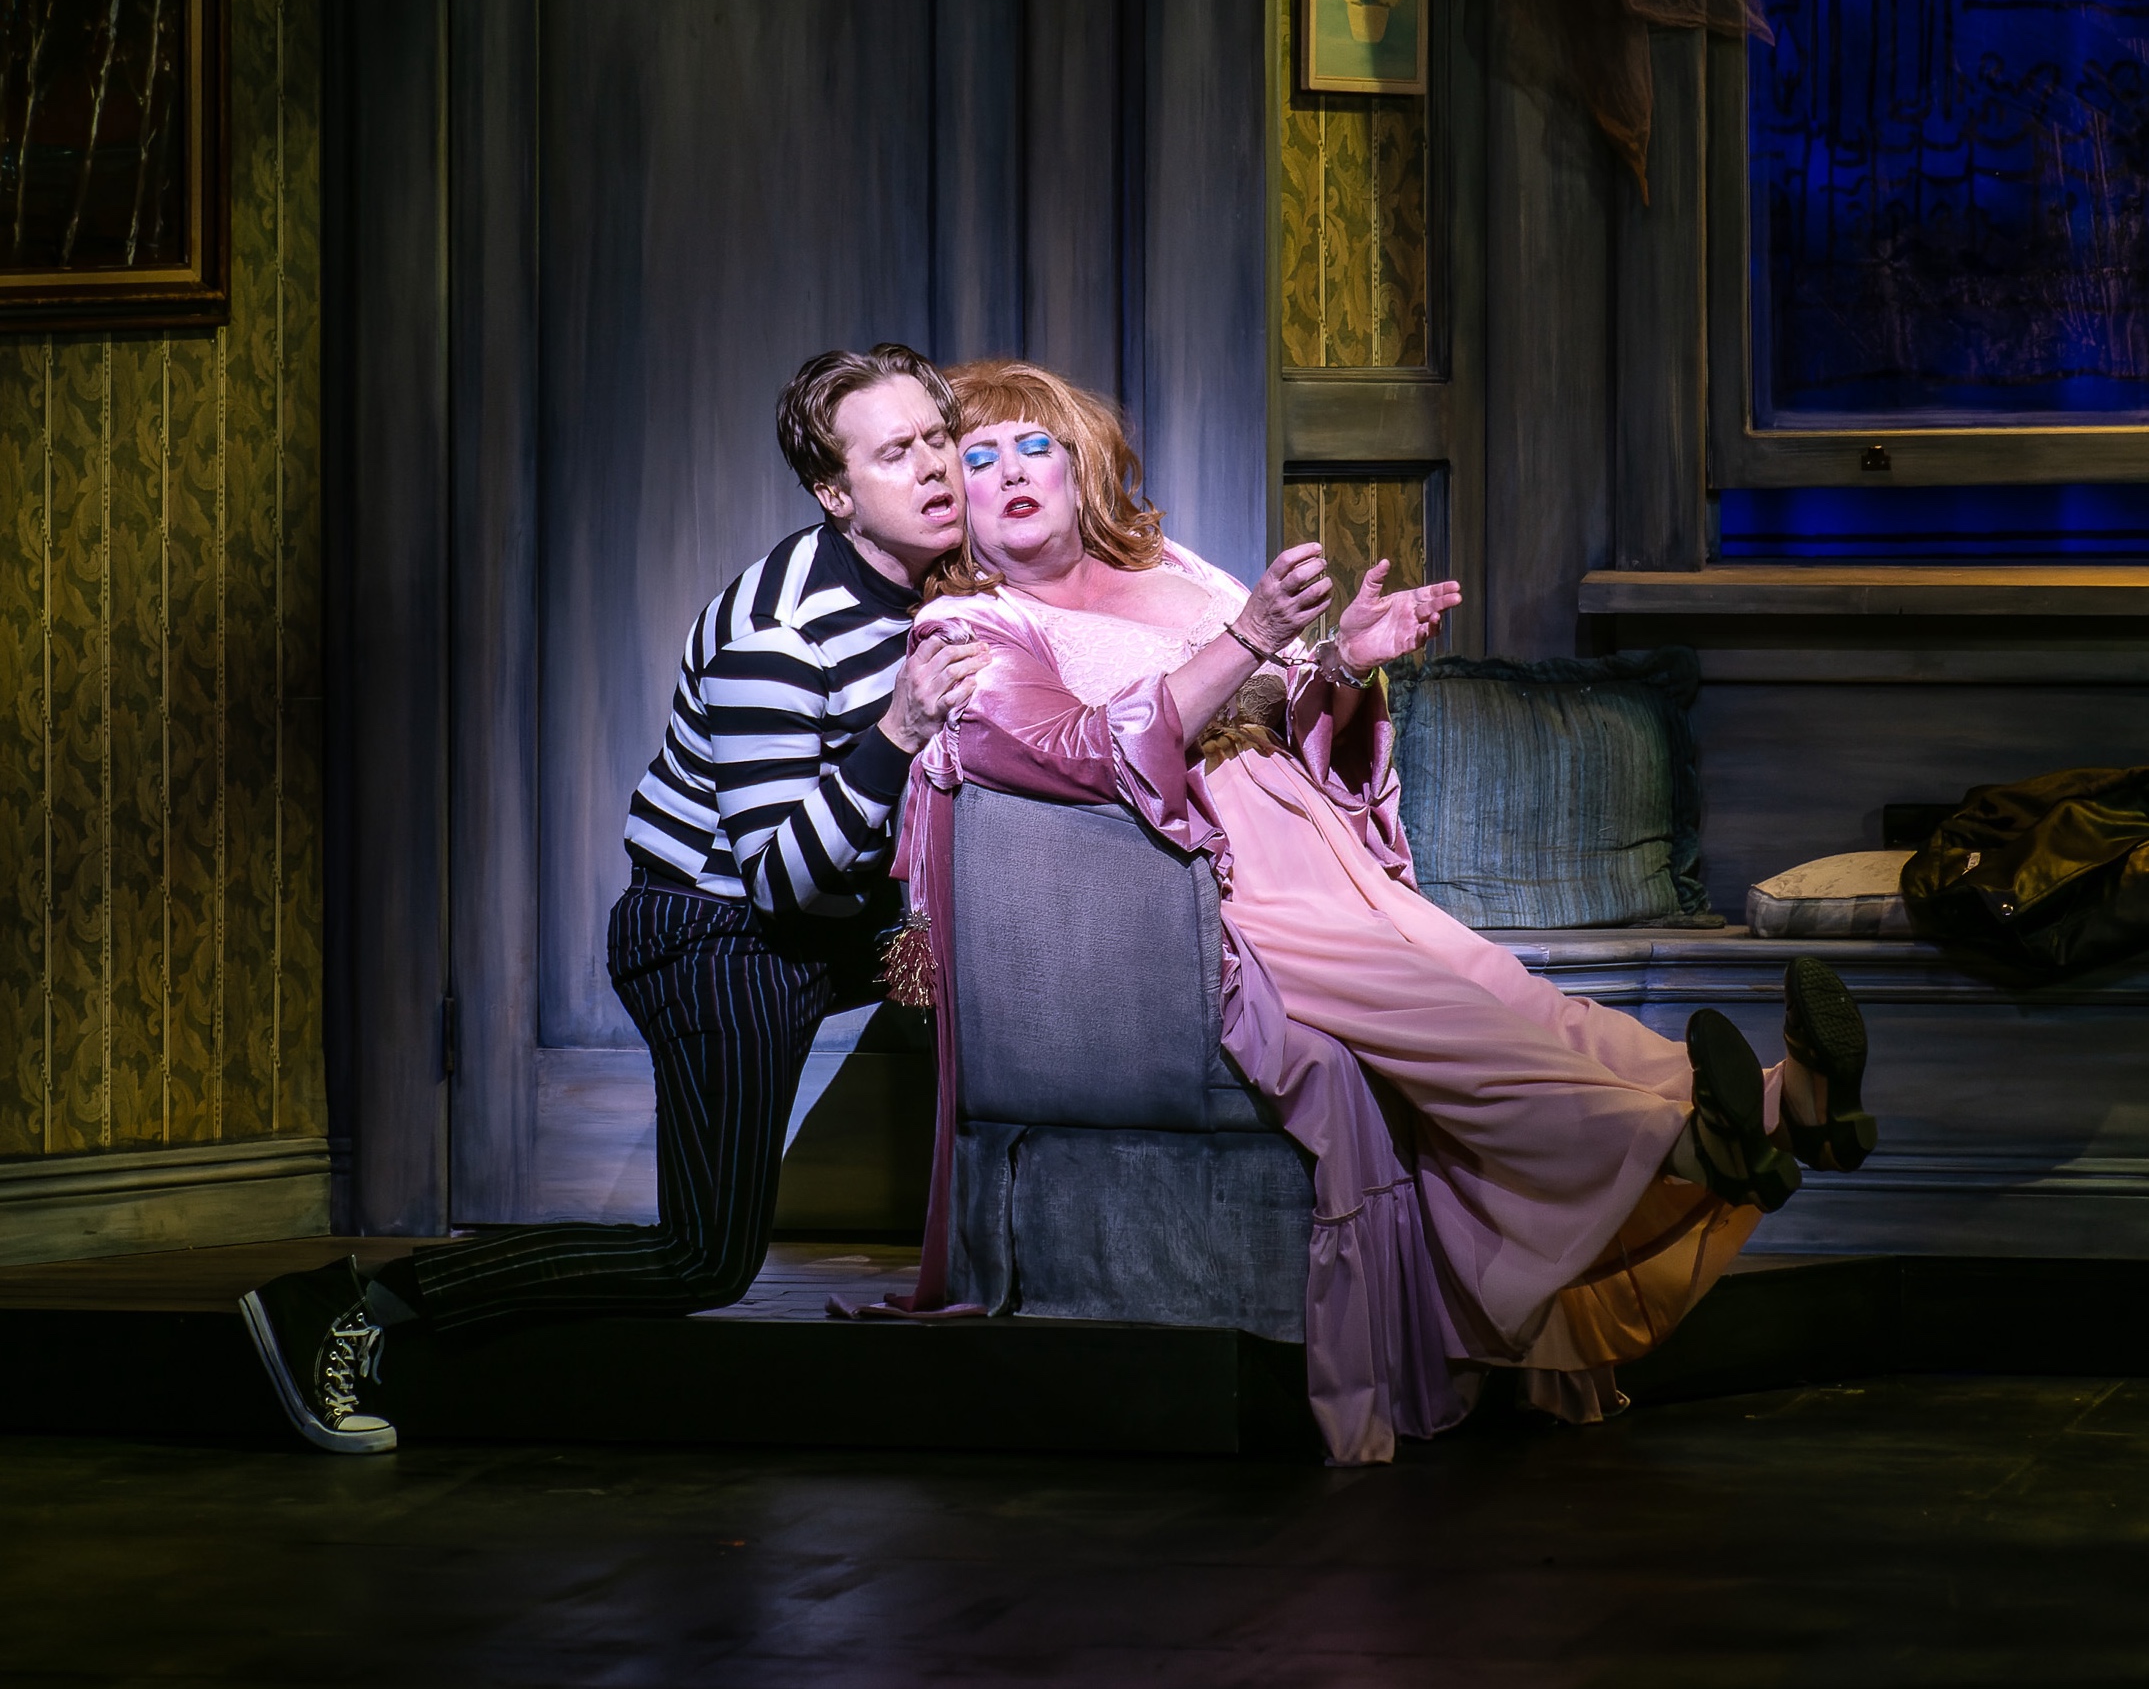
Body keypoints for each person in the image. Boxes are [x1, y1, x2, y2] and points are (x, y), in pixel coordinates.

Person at [897, 359, 1878, 1465]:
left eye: (1036, 447)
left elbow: (1274, 699)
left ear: (1081, 468)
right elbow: (1078, 751)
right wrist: (1253, 638)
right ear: (951, 498)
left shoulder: (1167, 567)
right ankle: (1680, 1144)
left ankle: (1781, 1106)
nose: (1011, 472)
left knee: (1510, 996)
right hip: (1205, 889)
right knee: (1452, 1023)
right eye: (979, 457)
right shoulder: (973, 630)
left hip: (1316, 844)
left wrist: (1342, 661)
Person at [240, 343, 985, 1454]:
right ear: (835, 493)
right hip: (719, 938)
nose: (933, 467)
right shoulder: (778, 632)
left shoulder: (938, 583)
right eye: (893, 454)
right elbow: (781, 880)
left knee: (1006, 958)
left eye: (937, 437)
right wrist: (899, 730)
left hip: (820, 926)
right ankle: (347, 1303)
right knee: (701, 1260)